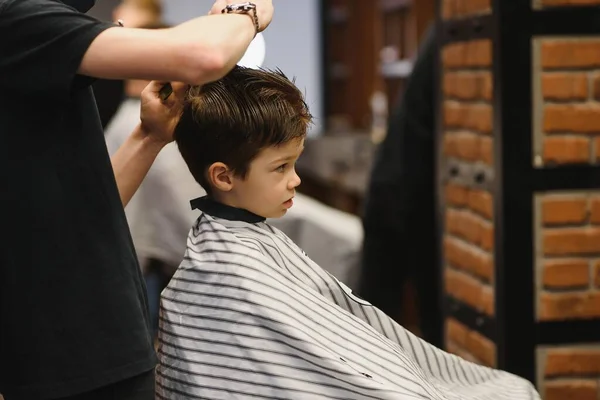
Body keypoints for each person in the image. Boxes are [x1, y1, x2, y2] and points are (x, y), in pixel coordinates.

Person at [156, 66, 540, 399]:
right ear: (223, 176)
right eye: (281, 168)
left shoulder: (227, 250)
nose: (296, 180)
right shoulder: (234, 274)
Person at [0, 0, 274, 399]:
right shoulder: (16, 20)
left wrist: (149, 136)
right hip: (71, 361)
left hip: (90, 347)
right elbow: (205, 55)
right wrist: (247, 11)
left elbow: (78, 214)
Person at [359, 24, 442, 348]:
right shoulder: (447, 36)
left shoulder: (441, 35)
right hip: (401, 193)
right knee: (378, 324)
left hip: (408, 188)